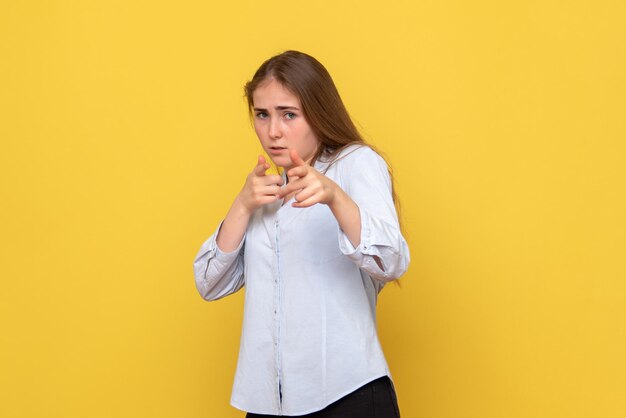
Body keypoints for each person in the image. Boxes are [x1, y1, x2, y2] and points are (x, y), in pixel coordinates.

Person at [193, 50, 410, 417]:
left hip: (346, 395)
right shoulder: (265, 192)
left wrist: (334, 196)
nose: (272, 131)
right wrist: (242, 205)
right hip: (269, 402)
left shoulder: (355, 163)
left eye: (288, 114)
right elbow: (208, 284)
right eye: (262, 114)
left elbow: (391, 262)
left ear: (318, 111)